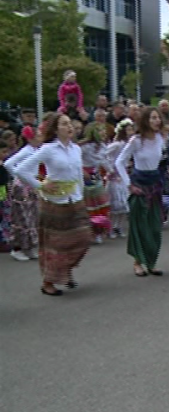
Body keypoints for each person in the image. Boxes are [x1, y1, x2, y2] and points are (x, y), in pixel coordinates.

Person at [12, 114, 91, 296]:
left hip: (75, 199)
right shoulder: (48, 149)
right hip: (55, 202)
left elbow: (78, 173)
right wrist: (41, 185)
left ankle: (65, 269)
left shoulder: (76, 149)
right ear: (56, 129)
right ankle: (48, 282)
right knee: (55, 244)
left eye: (70, 123)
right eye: (64, 124)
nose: (69, 126)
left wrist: (81, 193)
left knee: (84, 238)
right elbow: (20, 169)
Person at [115, 108, 166, 277]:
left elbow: (161, 161)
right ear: (145, 120)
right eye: (153, 118)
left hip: (155, 184)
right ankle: (138, 262)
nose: (156, 121)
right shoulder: (136, 141)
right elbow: (120, 162)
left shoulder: (160, 138)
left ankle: (151, 261)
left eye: (158, 118)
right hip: (139, 185)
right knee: (139, 225)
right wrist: (128, 184)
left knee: (154, 226)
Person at [3, 125, 41, 261]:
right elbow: (8, 164)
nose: (40, 138)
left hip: (31, 185)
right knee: (22, 218)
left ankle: (29, 247)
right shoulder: (26, 151)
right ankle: (17, 248)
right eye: (38, 135)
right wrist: (18, 177)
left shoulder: (36, 150)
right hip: (22, 187)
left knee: (32, 217)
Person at [105, 119, 134, 238]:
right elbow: (105, 154)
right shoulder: (117, 144)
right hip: (114, 176)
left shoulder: (130, 144)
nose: (131, 132)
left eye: (132, 129)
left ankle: (119, 226)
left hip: (123, 176)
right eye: (128, 130)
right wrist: (110, 169)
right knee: (114, 203)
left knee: (123, 203)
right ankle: (111, 227)